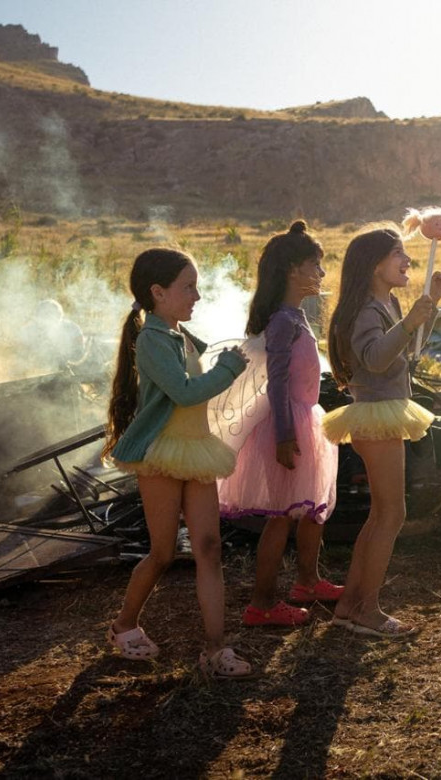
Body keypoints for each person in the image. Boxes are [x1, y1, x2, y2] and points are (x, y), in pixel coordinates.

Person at [102, 248, 256, 678]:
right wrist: (227, 369)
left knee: (209, 549)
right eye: (188, 287)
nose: (197, 295)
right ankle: (124, 624)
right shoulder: (152, 339)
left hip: (195, 448)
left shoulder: (180, 334)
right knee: (163, 552)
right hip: (164, 454)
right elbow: (185, 393)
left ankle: (214, 649)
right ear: (158, 292)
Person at [321, 224, 441, 638]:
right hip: (376, 415)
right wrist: (409, 320)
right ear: (375, 265)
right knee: (392, 513)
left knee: (380, 515)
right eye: (398, 254)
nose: (407, 260)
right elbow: (376, 358)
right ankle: (368, 610)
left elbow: (406, 353)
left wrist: (428, 307)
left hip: (382, 412)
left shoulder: (386, 303)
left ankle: (349, 605)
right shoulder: (365, 310)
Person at [216, 221, 341, 627]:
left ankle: (307, 581)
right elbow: (278, 383)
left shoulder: (296, 316)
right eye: (315, 265)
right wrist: (286, 436)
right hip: (288, 425)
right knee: (282, 515)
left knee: (310, 508)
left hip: (305, 421)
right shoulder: (284, 321)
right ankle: (262, 603)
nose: (322, 274)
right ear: (292, 269)